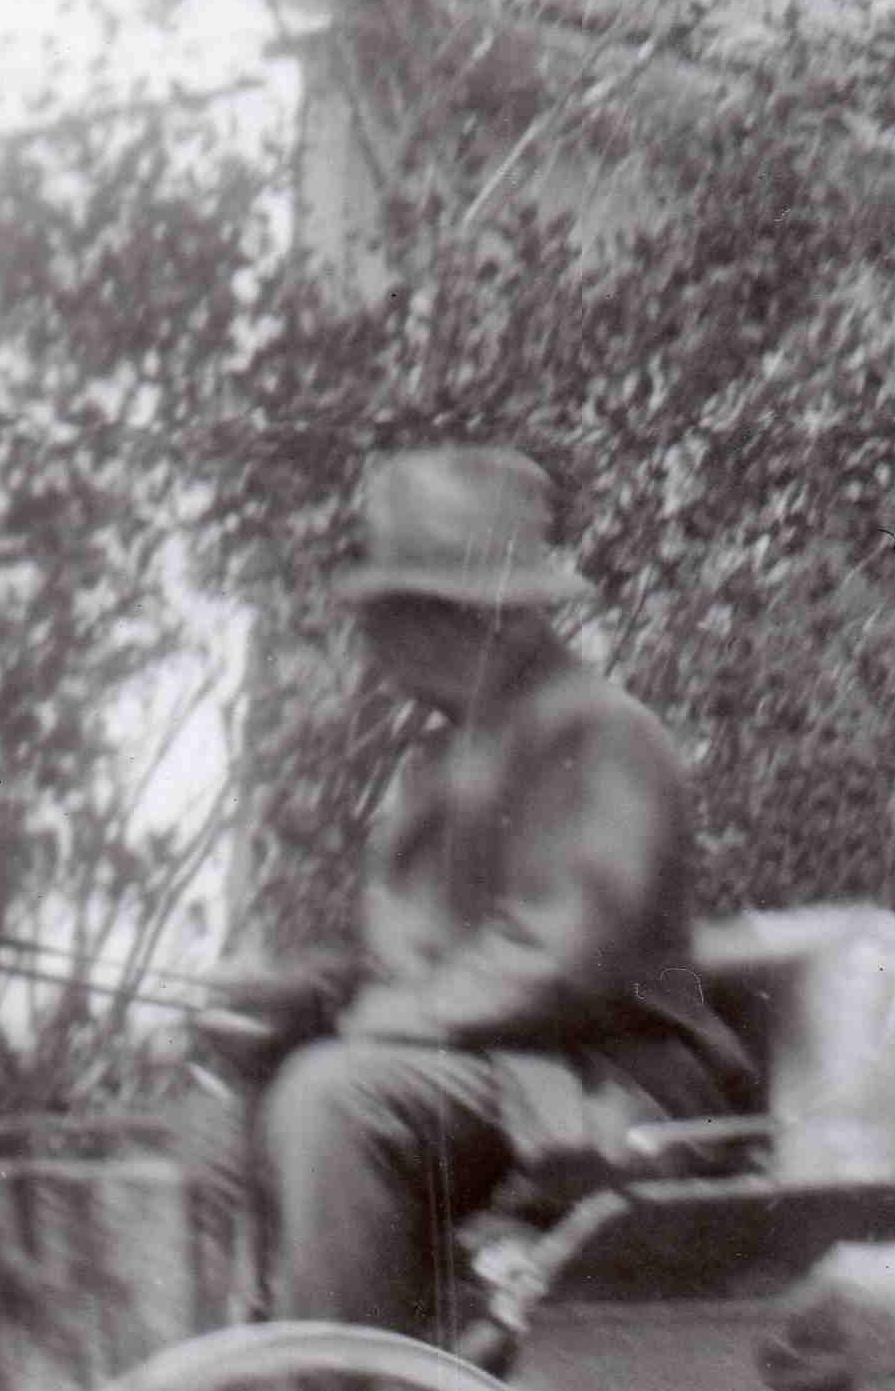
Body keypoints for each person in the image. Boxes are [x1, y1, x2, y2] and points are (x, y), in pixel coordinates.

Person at [205, 447, 752, 1339]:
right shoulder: (440, 762)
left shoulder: (606, 736)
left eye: (389, 611)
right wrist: (297, 997)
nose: (372, 636)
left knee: (330, 1101)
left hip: (608, 1081)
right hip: (497, 1075)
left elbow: (563, 960)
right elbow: (411, 963)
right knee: (221, 1117)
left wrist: (377, 1020)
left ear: (471, 616)